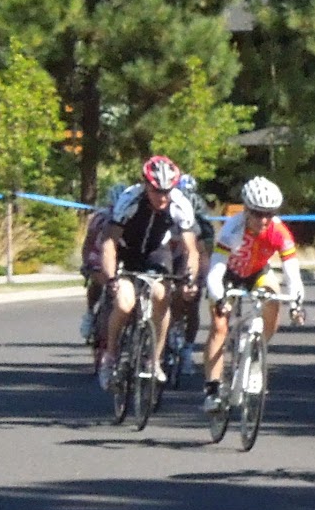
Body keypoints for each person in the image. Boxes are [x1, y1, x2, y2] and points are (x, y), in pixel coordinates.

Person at [201, 177, 306, 412]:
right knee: (219, 327)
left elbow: (292, 274)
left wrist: (296, 304)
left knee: (273, 299)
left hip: (257, 272)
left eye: (270, 213)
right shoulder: (232, 229)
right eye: (258, 214)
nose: (264, 220)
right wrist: (220, 298)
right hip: (227, 274)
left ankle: (256, 354)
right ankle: (212, 389)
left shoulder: (279, 232)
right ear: (247, 210)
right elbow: (215, 272)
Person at [98, 155, 200, 390]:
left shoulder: (180, 204)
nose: (162, 197)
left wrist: (190, 279)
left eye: (167, 191)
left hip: (156, 252)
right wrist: (111, 277)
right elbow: (110, 242)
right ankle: (110, 356)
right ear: (145, 185)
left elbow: (191, 249)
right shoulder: (129, 199)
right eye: (156, 191)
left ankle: (154, 360)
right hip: (126, 251)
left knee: (161, 295)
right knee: (124, 303)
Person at [171, 173, 216, 378]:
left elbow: (204, 253)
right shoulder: (170, 209)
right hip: (170, 254)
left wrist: (203, 278)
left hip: (194, 255)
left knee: (192, 303)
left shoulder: (201, 221)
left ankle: (188, 348)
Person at [79, 184, 126, 344]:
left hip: (123, 255)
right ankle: (90, 313)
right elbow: (89, 242)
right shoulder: (100, 217)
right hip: (100, 252)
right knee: (98, 280)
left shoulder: (132, 216)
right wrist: (87, 263)